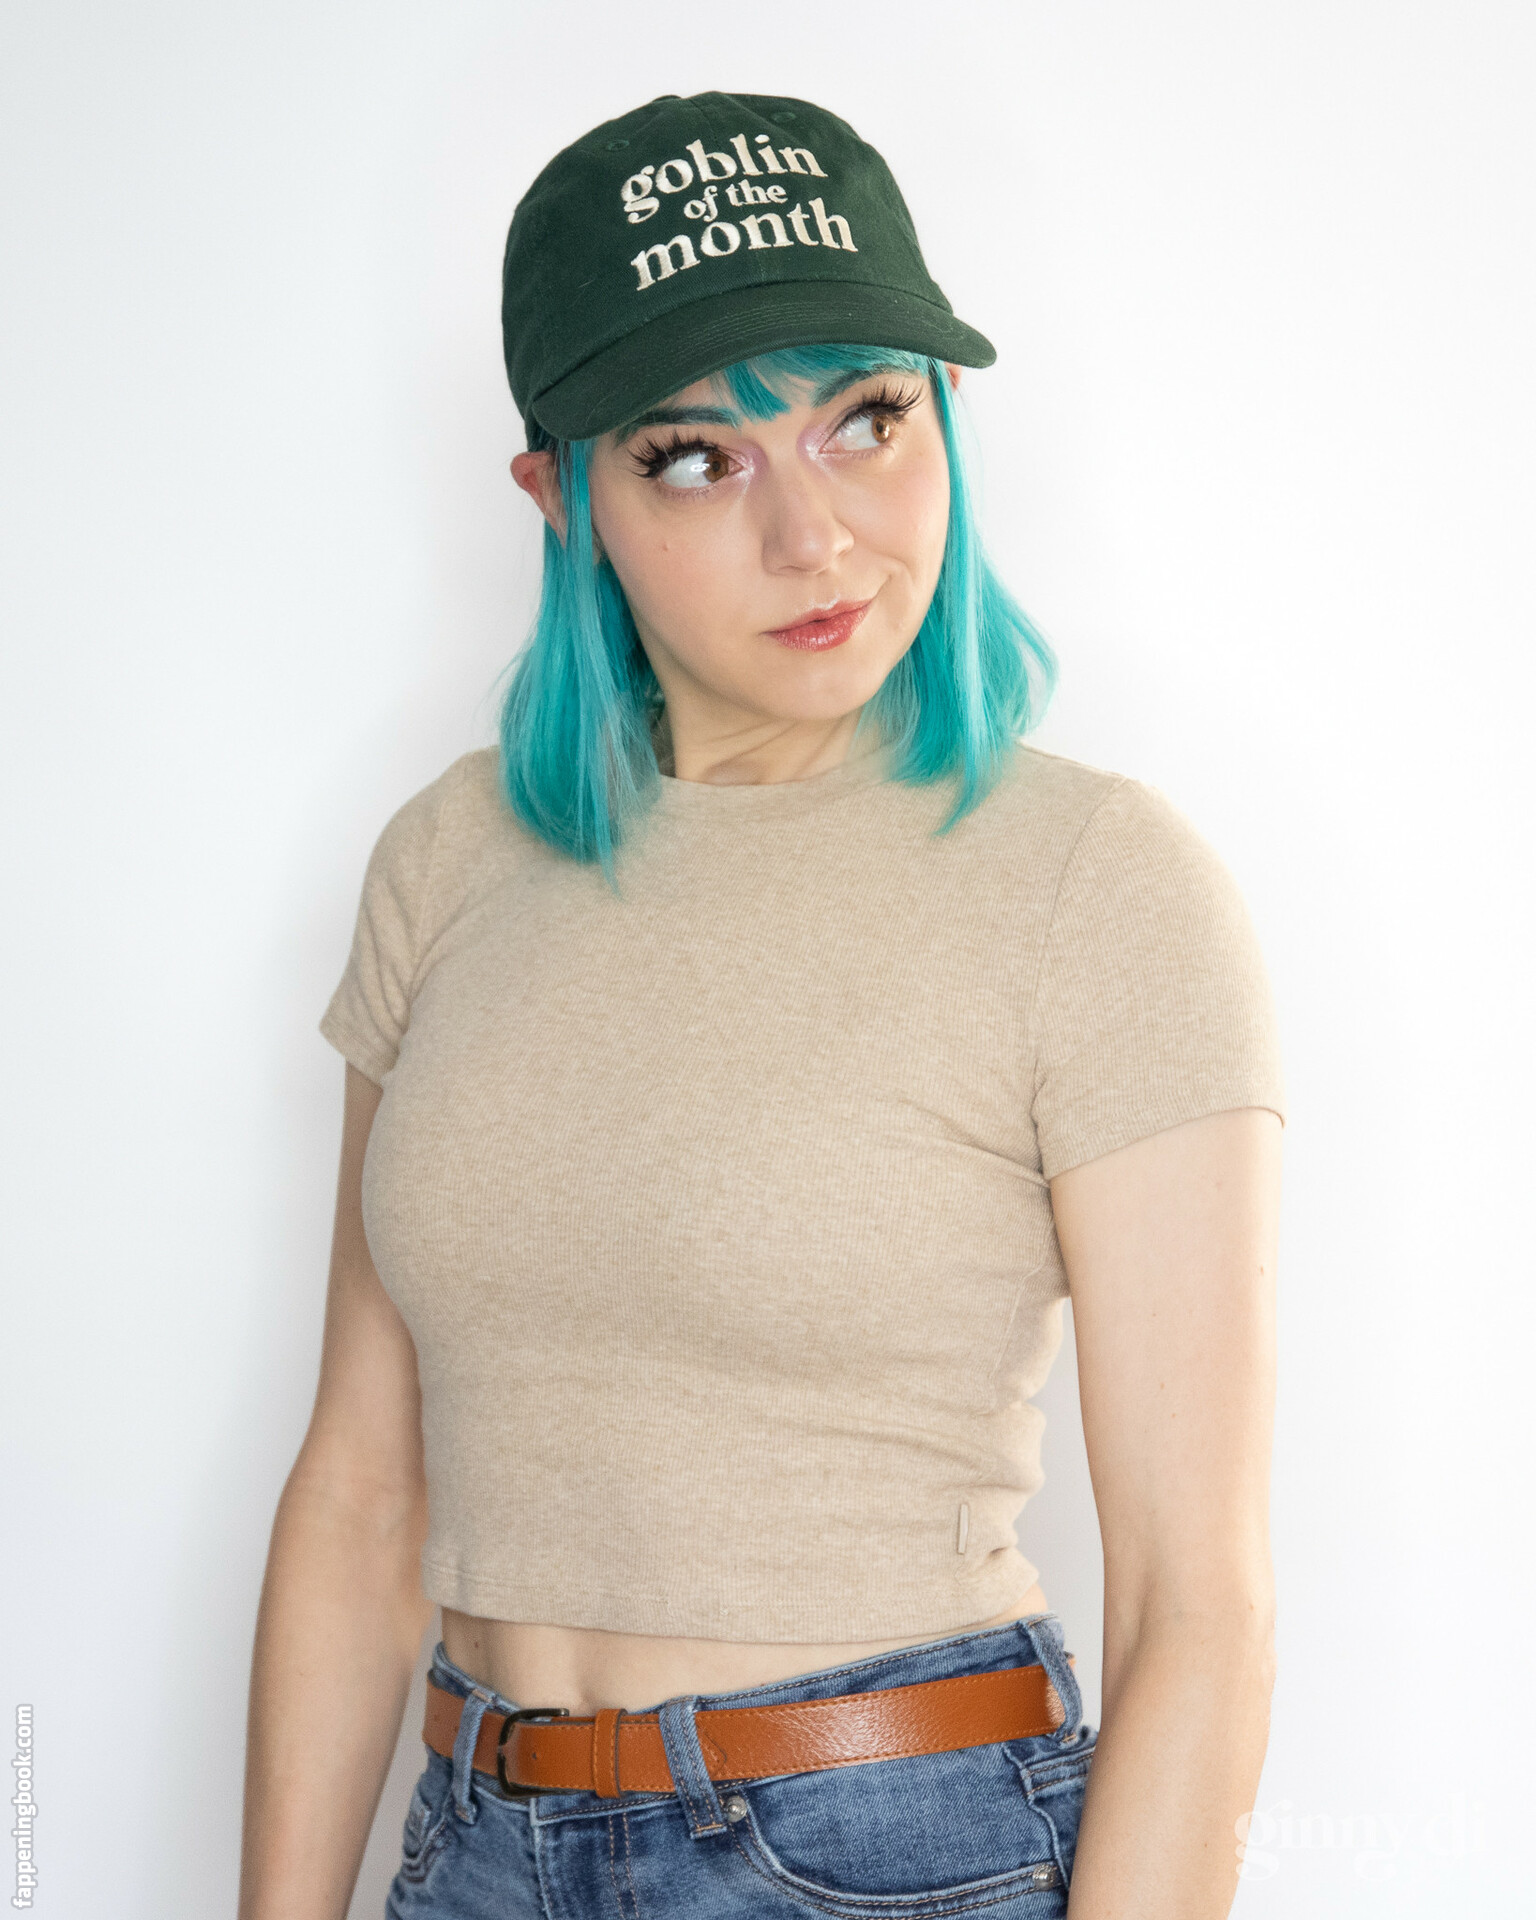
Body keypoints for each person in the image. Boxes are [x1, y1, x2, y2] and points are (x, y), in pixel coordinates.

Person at [239, 90, 1286, 1920]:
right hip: (474, 1840)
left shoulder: (1098, 882)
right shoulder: (450, 859)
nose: (817, 536)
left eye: (865, 419)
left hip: (884, 1847)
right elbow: (358, 1490)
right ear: (563, 499)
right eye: (694, 458)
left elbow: (1201, 1604)